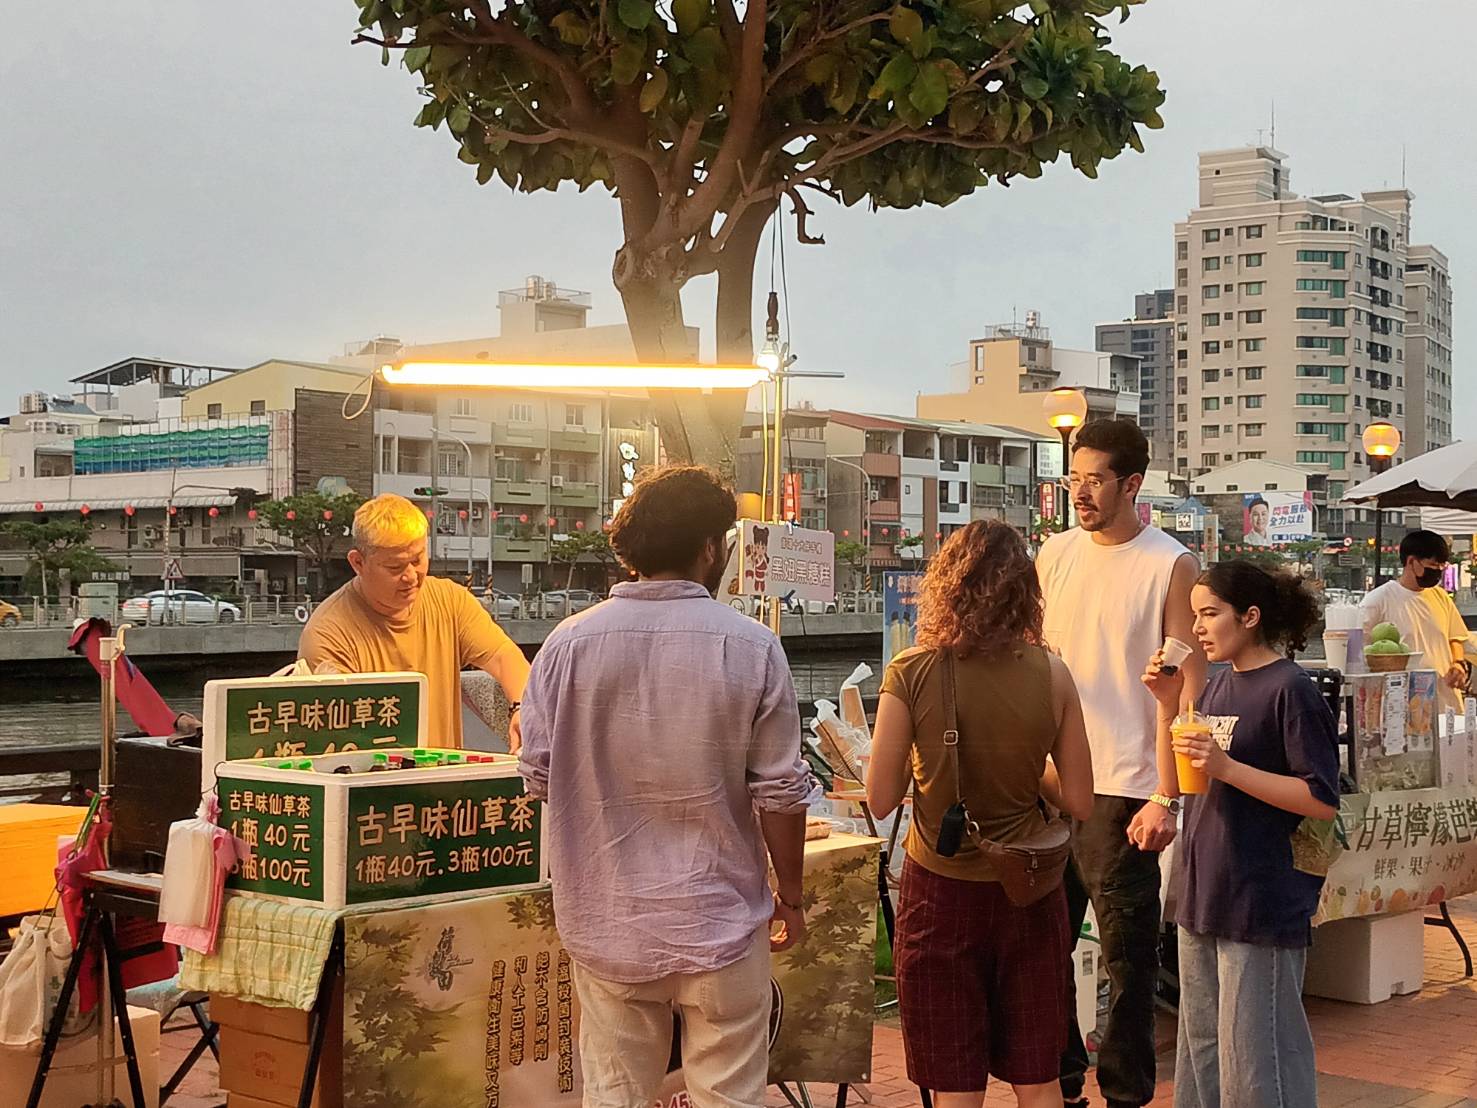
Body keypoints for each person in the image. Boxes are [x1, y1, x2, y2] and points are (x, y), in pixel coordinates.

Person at [518, 465, 810, 1108]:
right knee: (730, 1096)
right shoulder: (753, 646)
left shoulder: (565, 645)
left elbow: (538, 775)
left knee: (614, 1095)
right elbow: (781, 794)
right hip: (720, 921)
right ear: (709, 548)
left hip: (607, 922)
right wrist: (790, 897)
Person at [868, 521, 1094, 1108]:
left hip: (940, 897)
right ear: (1026, 591)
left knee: (957, 1085)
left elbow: (880, 798)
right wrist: (1026, 764)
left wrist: (930, 760)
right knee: (1038, 1079)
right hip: (1031, 895)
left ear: (945, 585)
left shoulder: (911, 670)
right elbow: (1080, 799)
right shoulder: (1053, 673)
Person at [1035, 418, 1205, 1108]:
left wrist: (1168, 795)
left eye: (1095, 480)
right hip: (1048, 781)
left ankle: (1126, 1093)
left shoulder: (1171, 564)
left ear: (1132, 484)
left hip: (1126, 786)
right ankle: (1059, 1082)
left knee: (1128, 959)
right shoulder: (1054, 553)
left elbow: (1187, 686)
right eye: (1073, 479)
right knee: (1041, 949)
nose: (1080, 493)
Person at [1143, 562, 1340, 1108]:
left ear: (1250, 617)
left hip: (1261, 895)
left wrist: (1228, 768)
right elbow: (1179, 782)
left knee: (1256, 1056)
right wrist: (1167, 706)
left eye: (1209, 614)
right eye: (1195, 615)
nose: (1197, 628)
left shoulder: (1290, 689)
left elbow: (1320, 800)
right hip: (1204, 889)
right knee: (1203, 1049)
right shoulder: (1215, 685)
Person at [298, 493, 530, 749]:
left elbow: (502, 656)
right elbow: (336, 733)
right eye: (395, 567)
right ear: (358, 563)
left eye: (417, 559)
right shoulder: (327, 634)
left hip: (446, 771)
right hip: (371, 772)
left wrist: (523, 708)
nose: (411, 576)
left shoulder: (450, 600)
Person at [1360, 529, 1469, 713]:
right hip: (1402, 704)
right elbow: (1361, 653)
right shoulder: (1377, 601)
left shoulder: (1441, 597)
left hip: (1446, 700)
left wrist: (1458, 663)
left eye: (1441, 566)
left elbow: (1455, 637)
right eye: (1433, 565)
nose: (1437, 571)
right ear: (1411, 561)